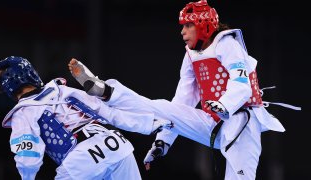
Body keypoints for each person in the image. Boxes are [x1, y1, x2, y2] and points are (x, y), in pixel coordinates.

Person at [68, 0, 301, 179]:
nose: (182, 32)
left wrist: (224, 104)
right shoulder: (191, 55)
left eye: (188, 25)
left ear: (203, 25)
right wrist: (163, 141)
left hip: (241, 121)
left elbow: (241, 83)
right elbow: (182, 100)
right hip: (212, 121)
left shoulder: (227, 43)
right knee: (160, 108)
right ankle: (108, 91)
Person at [0, 56, 173, 180]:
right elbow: (109, 113)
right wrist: (148, 125)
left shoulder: (23, 112)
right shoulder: (63, 90)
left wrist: (27, 178)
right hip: (117, 144)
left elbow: (29, 158)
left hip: (82, 159)